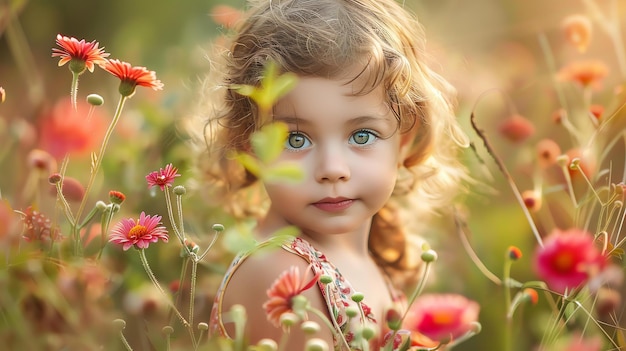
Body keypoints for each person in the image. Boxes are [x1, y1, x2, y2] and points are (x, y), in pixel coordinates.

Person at [191, 0, 470, 349]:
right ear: (250, 147)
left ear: (404, 141)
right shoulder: (282, 276)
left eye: (361, 135)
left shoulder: (365, 260)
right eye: (296, 139)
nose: (333, 169)